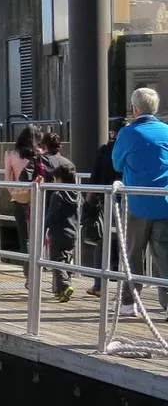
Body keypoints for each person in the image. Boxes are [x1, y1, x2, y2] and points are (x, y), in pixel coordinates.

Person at [113, 88, 168, 317]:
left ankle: (129, 302)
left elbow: (116, 164)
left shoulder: (128, 133)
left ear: (135, 108)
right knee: (164, 256)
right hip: (164, 203)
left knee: (132, 254)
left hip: (136, 203)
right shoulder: (166, 131)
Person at [24, 130, 79, 303]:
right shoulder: (68, 163)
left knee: (37, 247)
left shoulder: (38, 161)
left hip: (45, 210)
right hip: (71, 222)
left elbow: (23, 178)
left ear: (44, 146)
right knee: (64, 255)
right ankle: (61, 286)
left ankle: (33, 281)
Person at [82, 124, 124, 297]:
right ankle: (128, 287)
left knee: (103, 241)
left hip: (107, 199)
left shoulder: (106, 149)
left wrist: (89, 201)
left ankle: (99, 284)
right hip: (130, 198)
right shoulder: (128, 147)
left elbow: (95, 176)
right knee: (128, 244)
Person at [4, 125, 43, 255]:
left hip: (19, 197)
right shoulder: (41, 154)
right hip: (39, 197)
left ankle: (27, 267)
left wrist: (16, 194)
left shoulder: (10, 154)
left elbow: (8, 180)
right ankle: (40, 263)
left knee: (23, 235)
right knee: (39, 233)